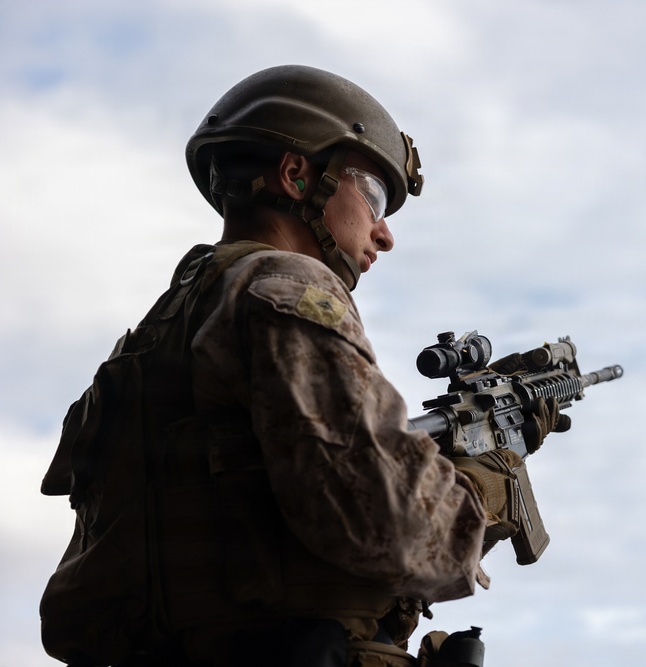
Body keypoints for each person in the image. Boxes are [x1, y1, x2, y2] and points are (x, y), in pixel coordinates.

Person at [39, 65, 556, 667]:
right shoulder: (288, 284)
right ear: (295, 175)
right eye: (376, 198)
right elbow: (380, 523)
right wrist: (483, 489)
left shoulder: (160, 330)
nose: (384, 235)